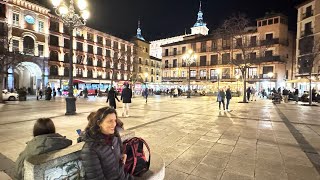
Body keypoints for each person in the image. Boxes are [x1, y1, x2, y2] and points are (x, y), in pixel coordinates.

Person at [80, 107, 133, 180]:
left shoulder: (115, 136)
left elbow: (119, 153)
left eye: (115, 120)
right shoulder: (90, 149)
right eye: (110, 121)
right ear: (99, 123)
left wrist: (122, 156)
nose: (114, 124)